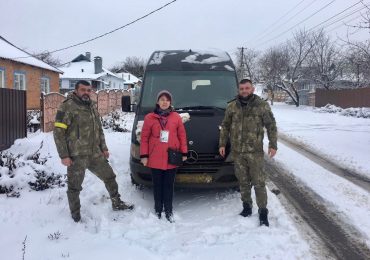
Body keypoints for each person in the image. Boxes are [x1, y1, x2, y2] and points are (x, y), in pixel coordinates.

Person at [53, 80, 134, 222]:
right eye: (83, 90)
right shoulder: (67, 107)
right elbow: (58, 132)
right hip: (77, 155)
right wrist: (64, 155)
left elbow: (99, 129)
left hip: (95, 153)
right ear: (76, 90)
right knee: (74, 187)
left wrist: (104, 147)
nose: (86, 92)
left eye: (88, 90)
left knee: (110, 177)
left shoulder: (91, 105)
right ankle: (75, 214)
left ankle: (117, 203)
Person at [219, 79, 277, 227]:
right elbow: (225, 126)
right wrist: (222, 144)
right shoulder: (232, 106)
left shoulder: (261, 106)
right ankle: (247, 207)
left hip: (255, 152)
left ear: (252, 89)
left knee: (258, 183)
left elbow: (271, 125)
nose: (244, 91)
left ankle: (263, 212)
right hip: (238, 152)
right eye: (242, 88)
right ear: (239, 90)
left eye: (247, 88)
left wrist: (273, 144)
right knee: (243, 182)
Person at [140, 90, 188, 222]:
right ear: (157, 102)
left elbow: (182, 136)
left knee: (168, 185)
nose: (164, 102)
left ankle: (168, 209)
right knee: (157, 185)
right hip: (155, 157)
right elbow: (144, 138)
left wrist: (184, 152)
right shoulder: (150, 118)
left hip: (172, 156)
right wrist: (144, 155)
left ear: (170, 102)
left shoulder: (176, 117)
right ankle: (157, 209)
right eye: (162, 99)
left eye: (167, 100)